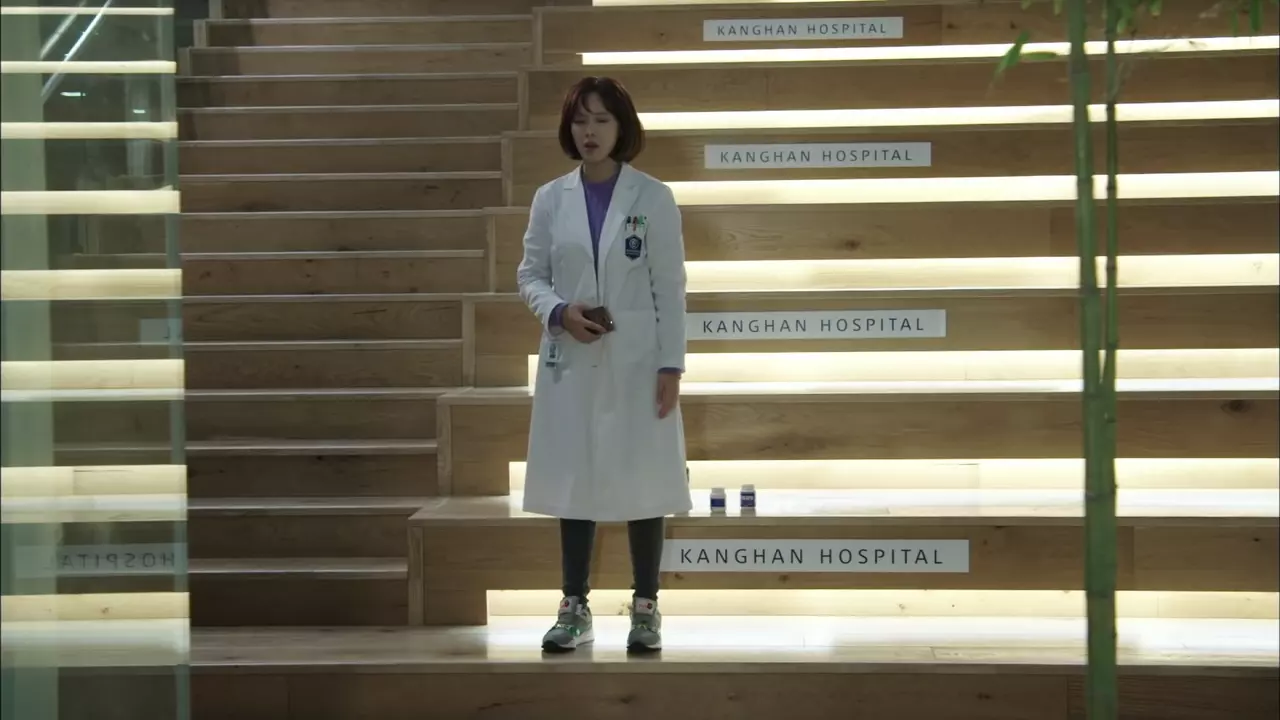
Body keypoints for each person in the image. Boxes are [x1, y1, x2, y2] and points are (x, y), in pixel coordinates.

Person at [516, 76, 690, 654]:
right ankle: (574, 606)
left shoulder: (653, 197)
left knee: (644, 476)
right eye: (580, 121)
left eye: (601, 120)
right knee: (575, 477)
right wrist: (559, 311)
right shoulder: (550, 198)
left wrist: (671, 366)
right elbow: (530, 275)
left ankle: (646, 607)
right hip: (572, 358)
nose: (589, 132)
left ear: (622, 128)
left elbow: (669, 288)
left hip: (639, 360)